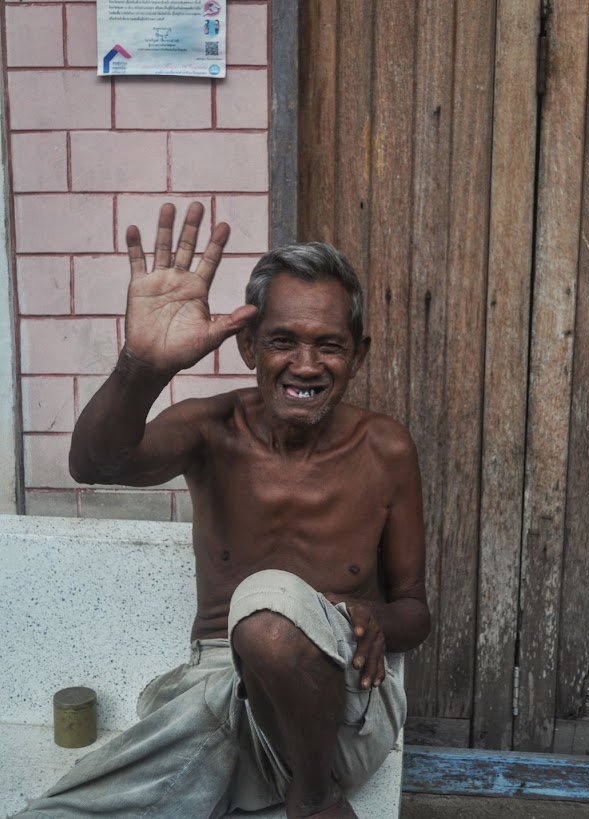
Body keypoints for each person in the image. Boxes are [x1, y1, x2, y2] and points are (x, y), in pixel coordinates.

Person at [16, 203, 430, 819]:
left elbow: (414, 612)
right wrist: (143, 367)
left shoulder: (386, 449)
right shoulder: (212, 429)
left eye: (330, 346)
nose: (307, 366)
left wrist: (374, 619)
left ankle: (314, 798)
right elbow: (95, 465)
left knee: (268, 606)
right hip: (217, 699)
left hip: (342, 715)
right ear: (248, 346)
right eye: (283, 341)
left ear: (358, 355)